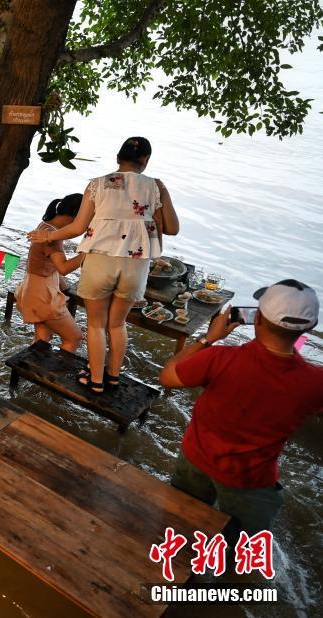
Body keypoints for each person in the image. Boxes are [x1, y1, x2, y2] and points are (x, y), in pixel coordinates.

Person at [160, 280, 323, 540]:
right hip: (251, 479)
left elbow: (168, 376)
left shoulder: (219, 359)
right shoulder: (315, 383)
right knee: (243, 549)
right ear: (311, 327)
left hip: (196, 460)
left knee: (181, 527)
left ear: (256, 318)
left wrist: (208, 338)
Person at [27, 137, 180, 393]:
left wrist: (48, 236)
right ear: (146, 161)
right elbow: (173, 229)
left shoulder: (97, 185)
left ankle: (95, 380)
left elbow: (77, 227)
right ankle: (113, 376)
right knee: (117, 324)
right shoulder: (155, 187)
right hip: (136, 264)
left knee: (96, 324)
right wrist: (163, 192)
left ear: (118, 158)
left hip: (99, 262)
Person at [16, 194, 85, 352]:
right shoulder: (51, 236)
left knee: (42, 340)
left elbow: (47, 264)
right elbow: (63, 268)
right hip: (42, 296)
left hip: (31, 291)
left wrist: (64, 287)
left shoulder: (45, 226)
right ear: (74, 217)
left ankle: (34, 372)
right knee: (74, 338)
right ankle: (55, 374)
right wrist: (86, 254)